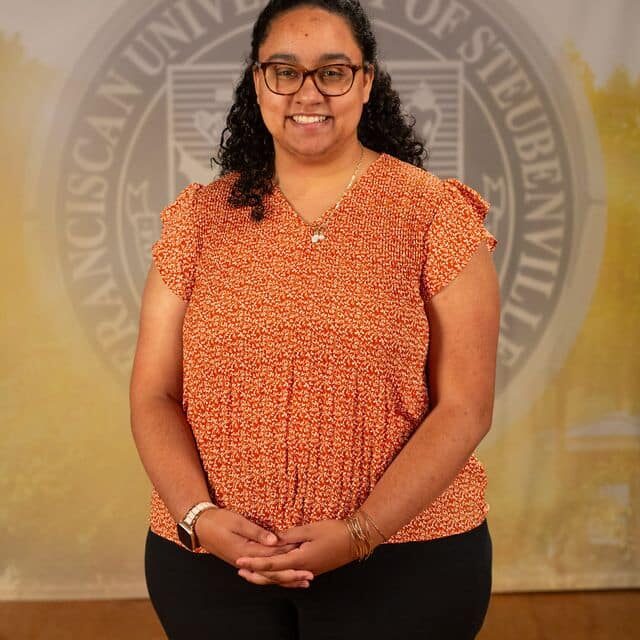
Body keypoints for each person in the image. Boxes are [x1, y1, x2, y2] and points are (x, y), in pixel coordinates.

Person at [129, 0, 500, 638]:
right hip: (213, 567)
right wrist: (198, 517)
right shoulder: (199, 221)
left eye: (333, 71)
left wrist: (361, 534)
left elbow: (465, 406)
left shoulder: (435, 216)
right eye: (285, 70)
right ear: (257, 81)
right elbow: (154, 394)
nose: (309, 92)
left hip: (407, 562)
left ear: (365, 82)